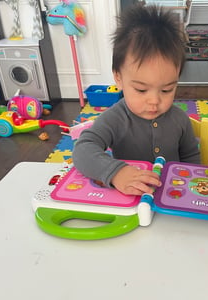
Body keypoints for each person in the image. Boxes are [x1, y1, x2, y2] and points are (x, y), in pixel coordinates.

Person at [73, 4, 200, 196]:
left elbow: (191, 156)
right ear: (118, 78)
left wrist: (193, 187)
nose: (154, 101)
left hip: (172, 199)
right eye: (141, 89)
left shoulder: (180, 120)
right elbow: (82, 150)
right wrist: (116, 173)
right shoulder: (114, 119)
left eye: (167, 90)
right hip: (130, 200)